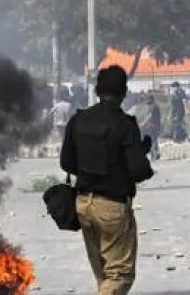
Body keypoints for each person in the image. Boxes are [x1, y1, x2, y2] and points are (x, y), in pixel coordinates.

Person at [59, 65, 154, 295]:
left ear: (98, 90)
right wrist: (142, 152)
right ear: (123, 92)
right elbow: (139, 171)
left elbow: (66, 162)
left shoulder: (78, 120)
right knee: (119, 274)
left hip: (83, 205)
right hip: (111, 208)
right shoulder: (125, 125)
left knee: (103, 274)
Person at [141, 93, 163, 161]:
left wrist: (143, 123)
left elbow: (150, 116)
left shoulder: (153, 106)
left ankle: (154, 155)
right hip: (156, 126)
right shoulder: (155, 106)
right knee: (154, 140)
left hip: (152, 126)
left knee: (152, 140)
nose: (146, 102)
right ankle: (156, 154)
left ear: (150, 99)